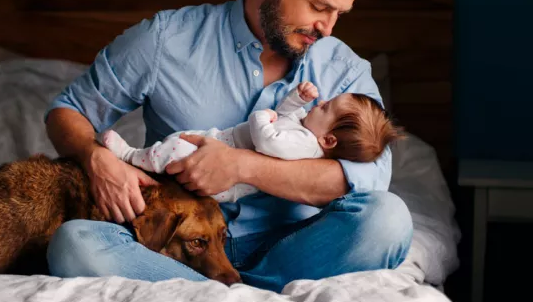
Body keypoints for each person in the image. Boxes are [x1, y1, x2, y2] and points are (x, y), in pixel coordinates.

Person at [44, 0, 413, 293]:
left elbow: (367, 180)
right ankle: (232, 297)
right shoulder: (164, 40)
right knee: (75, 245)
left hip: (293, 248)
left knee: (388, 220)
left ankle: (207, 296)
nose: (329, 28)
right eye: (319, 7)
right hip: (174, 248)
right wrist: (96, 159)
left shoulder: (344, 70)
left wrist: (241, 166)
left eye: (339, 13)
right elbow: (67, 111)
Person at [98, 81, 404, 203]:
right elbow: (286, 116)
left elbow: (268, 140)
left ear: (328, 139)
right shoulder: (306, 131)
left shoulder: (303, 145)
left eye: (325, 107)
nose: (319, 102)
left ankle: (129, 155)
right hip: (219, 143)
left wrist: (262, 116)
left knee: (175, 151)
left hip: (226, 179)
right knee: (176, 144)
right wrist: (296, 99)